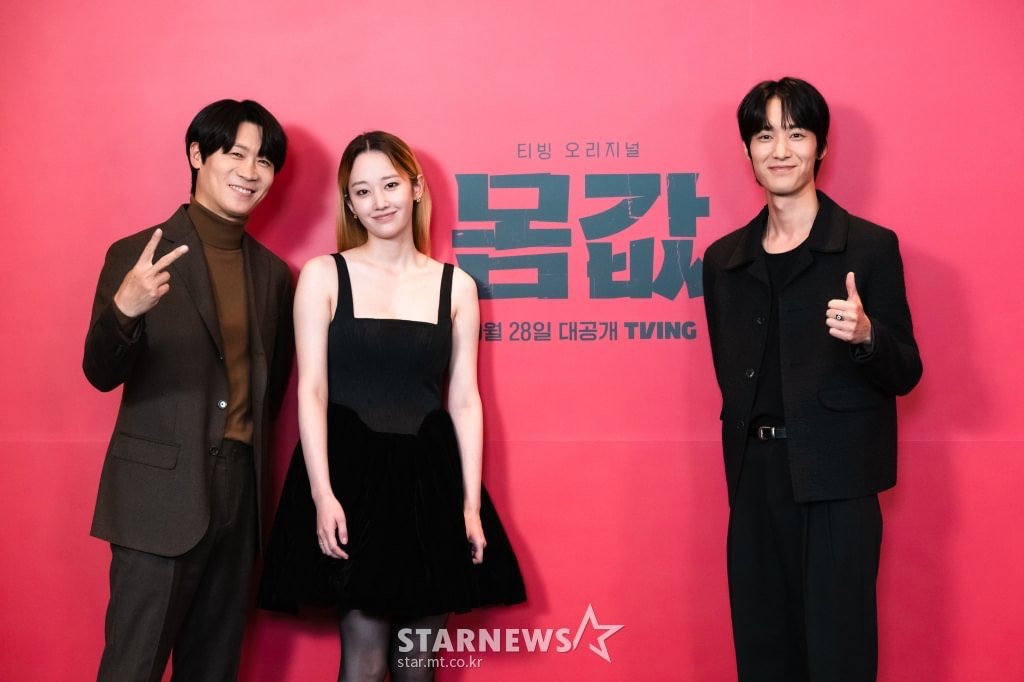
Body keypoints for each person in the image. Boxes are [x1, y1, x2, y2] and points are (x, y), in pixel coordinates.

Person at [258, 131, 525, 681]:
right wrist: (322, 495)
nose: (379, 202)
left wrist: (470, 506)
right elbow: (311, 390)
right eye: (362, 191)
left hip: (430, 486)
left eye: (390, 185)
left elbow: (464, 399)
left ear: (416, 188)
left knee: (418, 668)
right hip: (352, 484)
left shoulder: (457, 286)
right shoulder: (324, 275)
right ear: (350, 204)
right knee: (363, 666)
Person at [702, 78, 922, 681]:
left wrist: (868, 337)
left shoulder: (868, 248)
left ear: (821, 146)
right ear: (747, 150)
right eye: (764, 135)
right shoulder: (724, 261)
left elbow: (907, 371)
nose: (780, 150)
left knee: (837, 652)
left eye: (796, 134)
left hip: (838, 481)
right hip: (754, 478)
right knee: (762, 648)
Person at [83, 99, 293, 681]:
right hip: (159, 498)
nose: (250, 171)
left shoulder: (274, 276)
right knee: (132, 668)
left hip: (240, 497)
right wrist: (126, 310)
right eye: (236, 154)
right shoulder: (136, 254)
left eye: (265, 161)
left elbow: (271, 392)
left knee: (213, 670)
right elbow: (99, 372)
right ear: (198, 155)